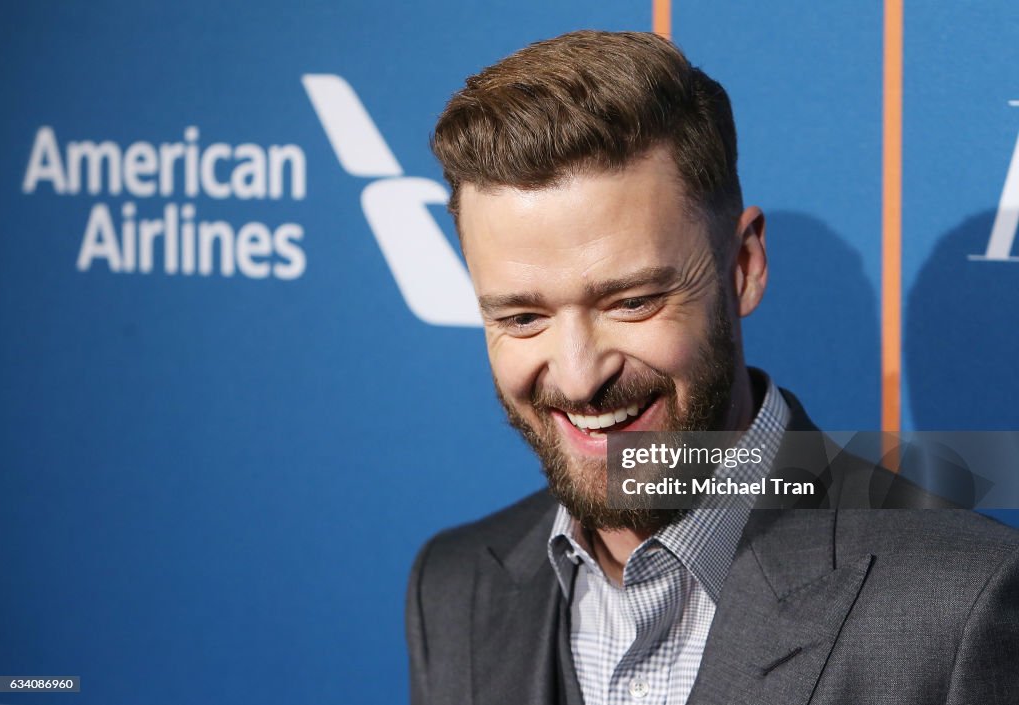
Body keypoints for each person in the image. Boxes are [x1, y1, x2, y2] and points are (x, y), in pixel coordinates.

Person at [406, 30, 1019, 705]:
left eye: (632, 301)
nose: (579, 377)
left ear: (743, 267)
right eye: (523, 317)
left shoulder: (960, 599)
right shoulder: (454, 585)